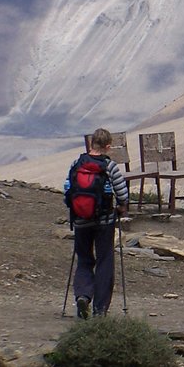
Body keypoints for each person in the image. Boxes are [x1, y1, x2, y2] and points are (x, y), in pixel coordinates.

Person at [64, 127, 129, 319]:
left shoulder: (77, 163)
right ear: (108, 146)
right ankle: (100, 309)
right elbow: (122, 194)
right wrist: (121, 208)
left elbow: (68, 188)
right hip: (104, 220)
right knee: (104, 261)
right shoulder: (109, 166)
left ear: (91, 144)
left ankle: (83, 296)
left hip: (81, 220)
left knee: (84, 259)